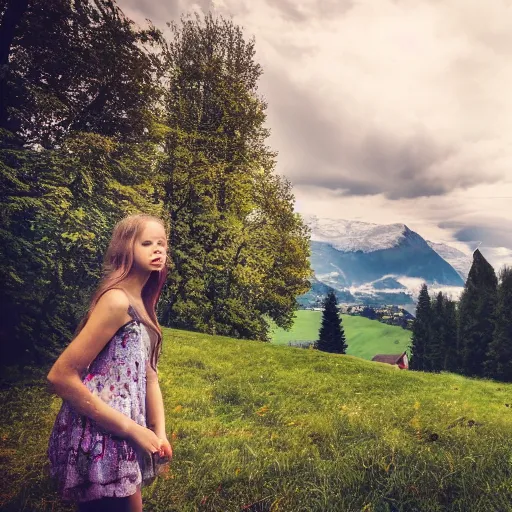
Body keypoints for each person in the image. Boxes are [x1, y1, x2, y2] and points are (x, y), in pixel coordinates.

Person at [47, 213, 173, 512]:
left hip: (125, 429)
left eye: (162, 243)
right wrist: (132, 430)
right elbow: (60, 376)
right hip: (102, 431)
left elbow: (150, 377)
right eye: (147, 243)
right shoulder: (117, 301)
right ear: (124, 249)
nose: (158, 249)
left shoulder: (144, 303)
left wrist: (159, 432)